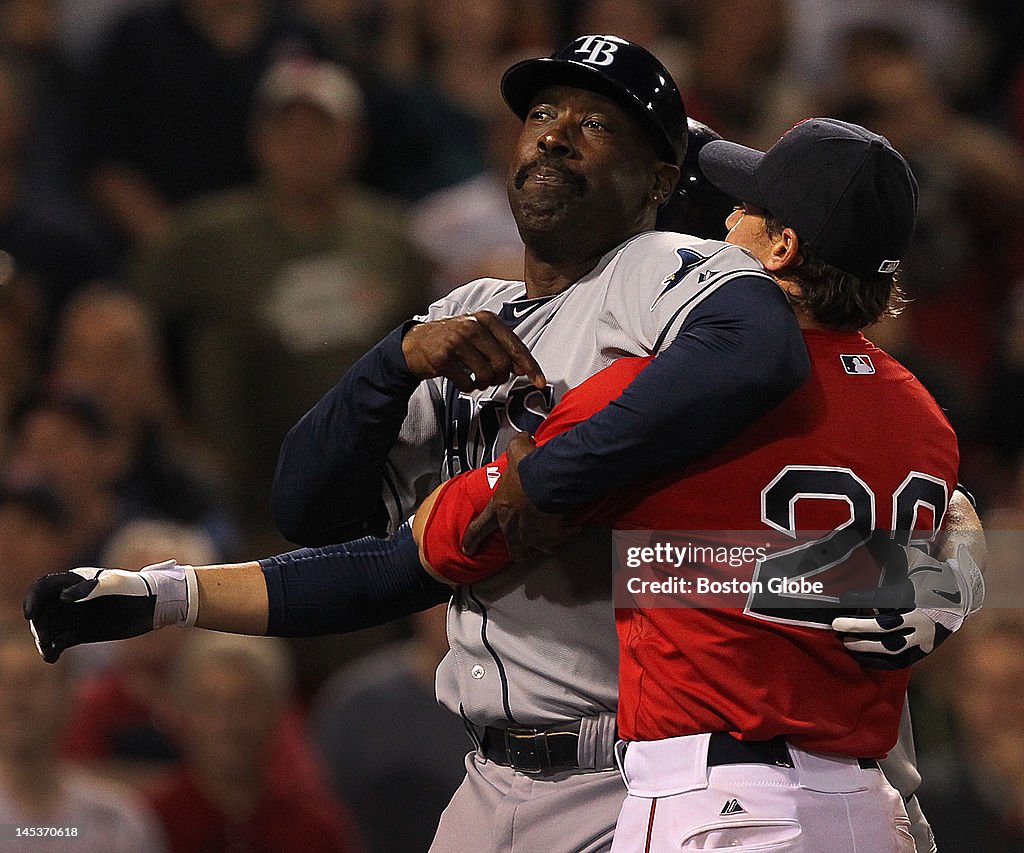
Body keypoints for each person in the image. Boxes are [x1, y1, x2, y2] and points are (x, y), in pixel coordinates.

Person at [22, 37, 972, 852]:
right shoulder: (470, 313)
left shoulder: (666, 276)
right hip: (509, 767)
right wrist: (390, 362)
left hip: (647, 764)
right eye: (543, 112)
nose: (555, 130)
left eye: (595, 123)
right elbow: (322, 514)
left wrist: (545, 479)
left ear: (657, 183)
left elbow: (760, 358)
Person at [412, 118, 986, 852]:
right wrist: (955, 572)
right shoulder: (923, 417)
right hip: (870, 808)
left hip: (724, 799)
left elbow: (450, 534)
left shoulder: (689, 391)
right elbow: (856, 559)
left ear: (782, 248)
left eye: (746, 210)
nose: (723, 219)